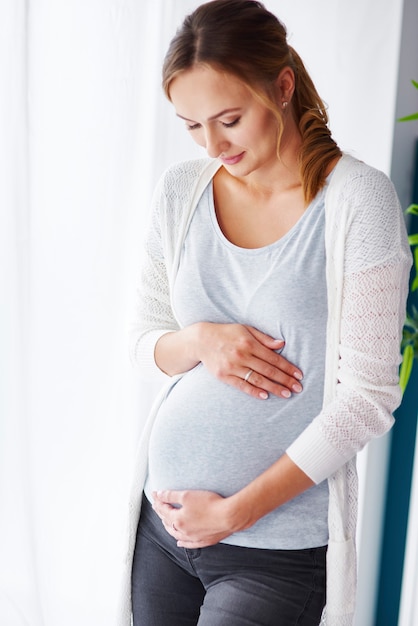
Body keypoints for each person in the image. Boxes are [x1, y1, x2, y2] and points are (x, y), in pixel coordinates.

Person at [123, 1, 412, 624]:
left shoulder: (357, 201)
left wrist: (236, 512)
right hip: (163, 530)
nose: (213, 143)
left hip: (276, 551)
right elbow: (144, 341)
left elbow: (367, 397)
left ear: (282, 86)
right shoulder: (182, 191)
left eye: (230, 118)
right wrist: (202, 339)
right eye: (193, 125)